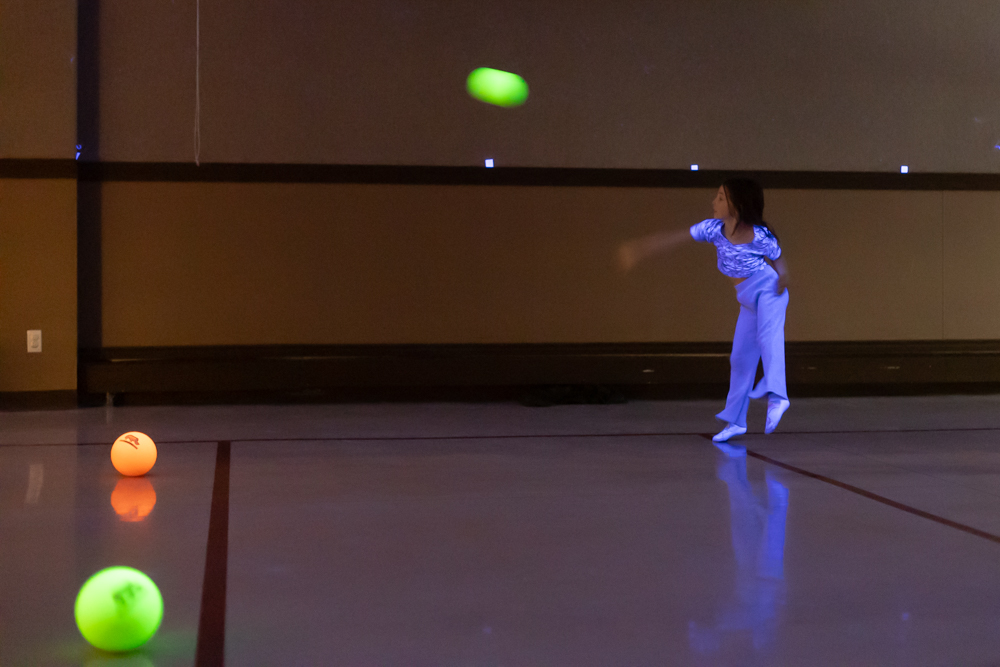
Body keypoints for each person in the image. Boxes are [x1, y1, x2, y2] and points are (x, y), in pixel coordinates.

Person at [618, 179, 790, 442]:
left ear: (737, 204)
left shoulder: (759, 236)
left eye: (721, 197)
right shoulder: (712, 229)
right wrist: (643, 248)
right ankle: (736, 421)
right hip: (747, 301)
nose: (714, 202)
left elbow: (777, 257)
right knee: (739, 359)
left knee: (768, 338)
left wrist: (784, 277)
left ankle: (777, 395)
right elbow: (677, 238)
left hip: (769, 292)